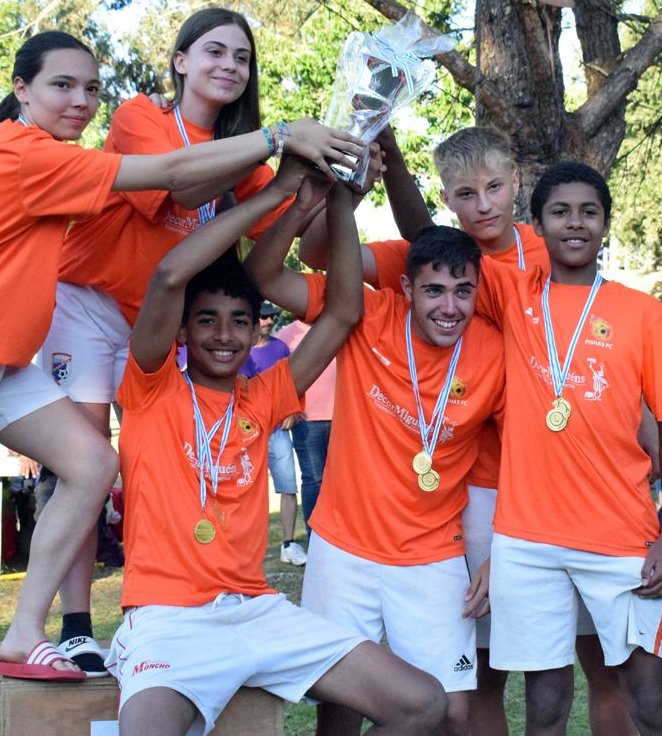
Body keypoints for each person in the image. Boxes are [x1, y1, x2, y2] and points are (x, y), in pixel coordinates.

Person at [0, 31, 361, 736]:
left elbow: (196, 191)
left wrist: (305, 186)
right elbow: (169, 170)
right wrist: (279, 134)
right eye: (62, 85)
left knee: (93, 462)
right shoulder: (24, 152)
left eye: (90, 88)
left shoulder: (39, 154)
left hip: (1, 360)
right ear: (22, 90)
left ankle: (23, 630)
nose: (80, 100)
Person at [37, 7, 360, 671]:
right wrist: (277, 146)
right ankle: (73, 622)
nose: (229, 66)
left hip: (157, 318)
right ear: (179, 61)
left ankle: (177, 593)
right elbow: (176, 182)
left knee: (163, 461)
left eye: (241, 58)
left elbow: (299, 231)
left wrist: (333, 178)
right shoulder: (138, 116)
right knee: (86, 460)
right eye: (213, 51)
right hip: (89, 301)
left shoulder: (246, 152)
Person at [300, 127, 637, 736]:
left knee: (600, 663)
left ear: (516, 182)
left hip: (554, 481)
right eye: (464, 194)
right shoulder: (432, 257)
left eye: (493, 189)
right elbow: (326, 255)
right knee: (480, 675)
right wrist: (377, 158)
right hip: (467, 488)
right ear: (446, 199)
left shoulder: (547, 250)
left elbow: (598, 342)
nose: (482, 205)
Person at [108, 145, 446, 736]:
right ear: (184, 329)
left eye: (241, 321)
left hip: (258, 612)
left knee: (422, 704)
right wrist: (279, 198)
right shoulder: (152, 386)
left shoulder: (263, 396)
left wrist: (340, 199)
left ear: (259, 328)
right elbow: (169, 274)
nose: (225, 336)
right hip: (167, 619)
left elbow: (342, 313)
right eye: (207, 320)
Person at [252, 216, 505, 736]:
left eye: (463, 291)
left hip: (434, 553)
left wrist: (499, 552)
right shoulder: (365, 313)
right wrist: (329, 196)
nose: (449, 307)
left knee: (453, 714)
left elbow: (527, 456)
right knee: (340, 711)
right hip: (344, 548)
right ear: (407, 287)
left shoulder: (495, 350)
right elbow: (268, 277)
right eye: (434, 290)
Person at [467, 162, 662, 736]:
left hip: (620, 535)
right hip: (526, 540)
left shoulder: (639, 310)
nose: (575, 223)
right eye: (560, 211)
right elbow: (428, 236)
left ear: (606, 224)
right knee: (544, 706)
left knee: (650, 698)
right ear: (535, 225)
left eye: (589, 212)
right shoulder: (511, 294)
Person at [242, 301, 306, 565]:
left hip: (278, 430)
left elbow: (292, 383)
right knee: (245, 491)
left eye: (272, 318)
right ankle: (245, 548)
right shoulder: (241, 350)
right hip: (249, 432)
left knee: (288, 486)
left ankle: (289, 544)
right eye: (264, 318)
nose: (269, 322)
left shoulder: (280, 348)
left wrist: (292, 410)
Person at [273, 318, 335, 528]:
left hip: (342, 418)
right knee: (314, 480)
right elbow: (277, 377)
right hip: (306, 420)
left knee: (343, 479)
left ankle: (342, 535)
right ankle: (315, 535)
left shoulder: (336, 327)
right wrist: (288, 408)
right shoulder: (285, 335)